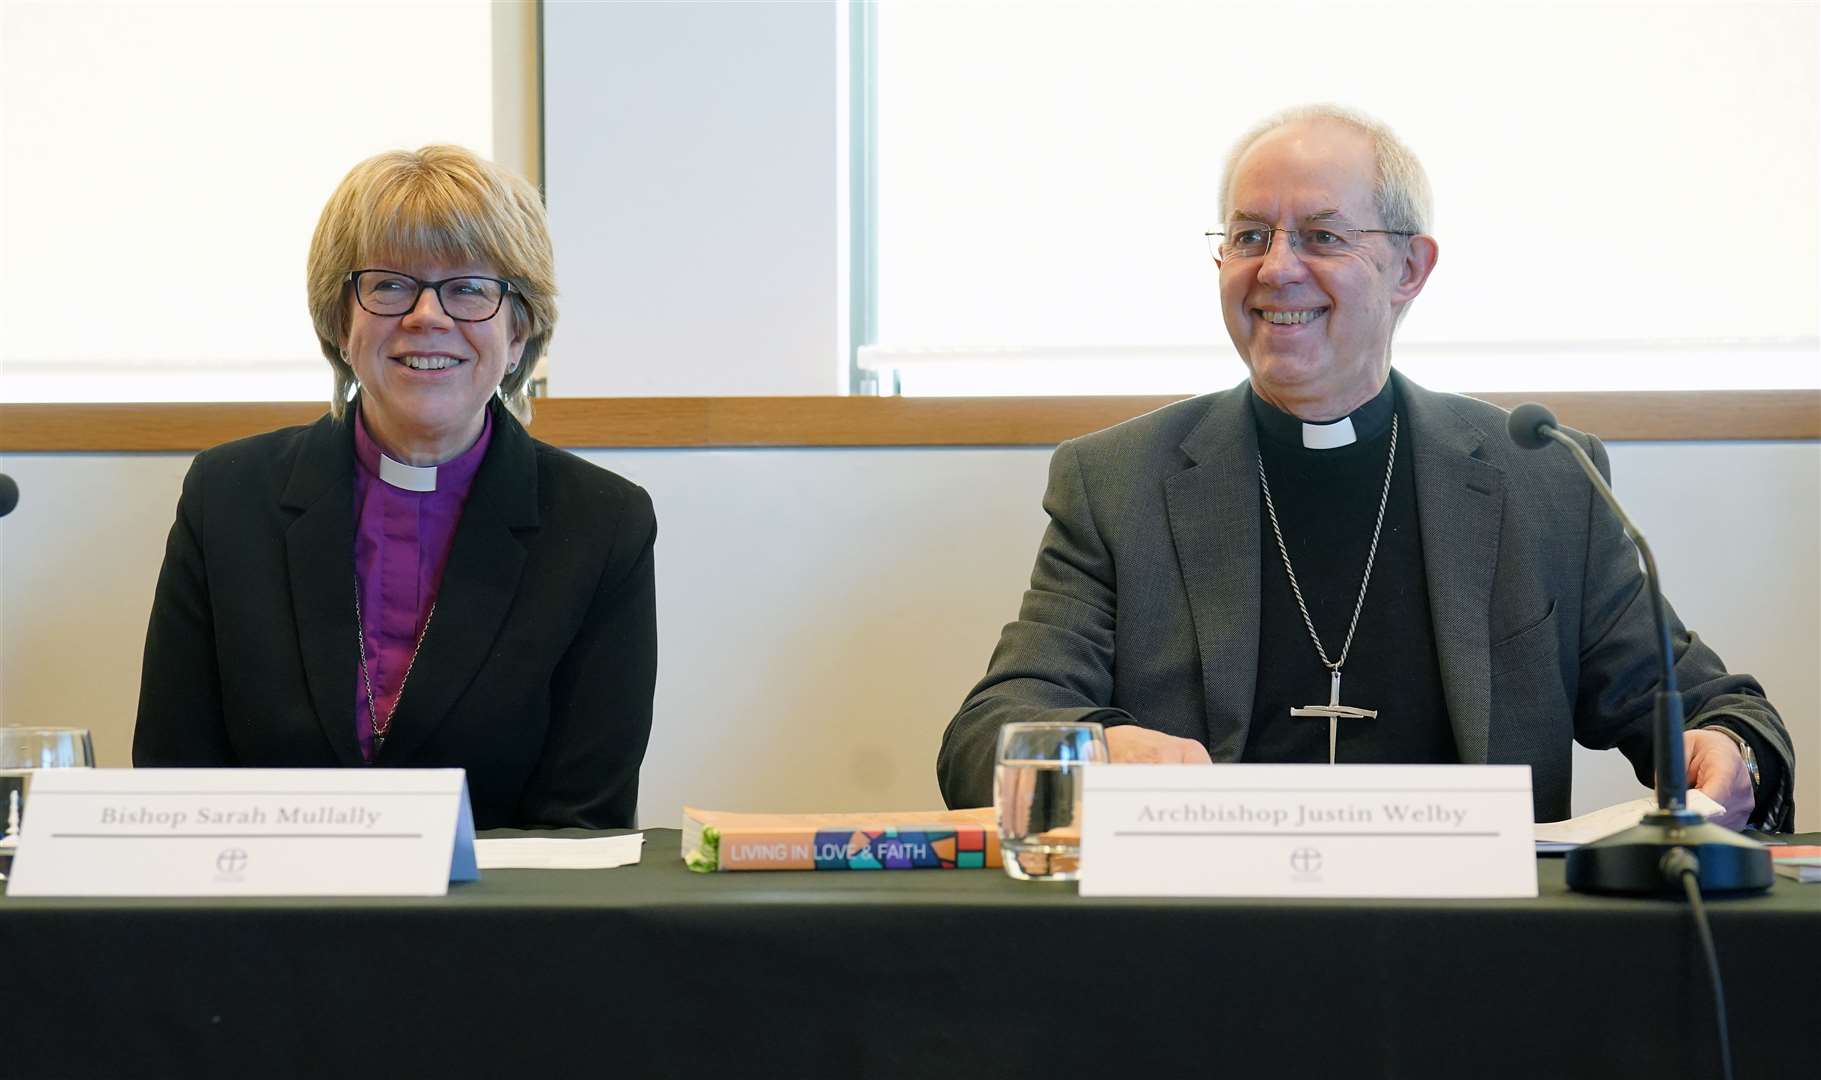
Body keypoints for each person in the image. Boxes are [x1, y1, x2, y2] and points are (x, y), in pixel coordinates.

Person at [938, 106, 1793, 830]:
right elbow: (989, 734)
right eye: (1248, 235)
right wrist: (1101, 748)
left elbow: (1716, 710)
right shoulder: (1117, 482)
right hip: (1200, 938)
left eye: (1321, 236)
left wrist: (1726, 752)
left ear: (1408, 269)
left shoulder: (1540, 479)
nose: (1276, 268)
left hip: (1478, 949)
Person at [134, 146, 657, 830]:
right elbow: (177, 788)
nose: (426, 316)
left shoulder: (601, 524)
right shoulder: (227, 499)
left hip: (501, 929)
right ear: (338, 321)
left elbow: (584, 824)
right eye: (388, 285)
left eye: (468, 287)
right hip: (266, 920)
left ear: (520, 324)